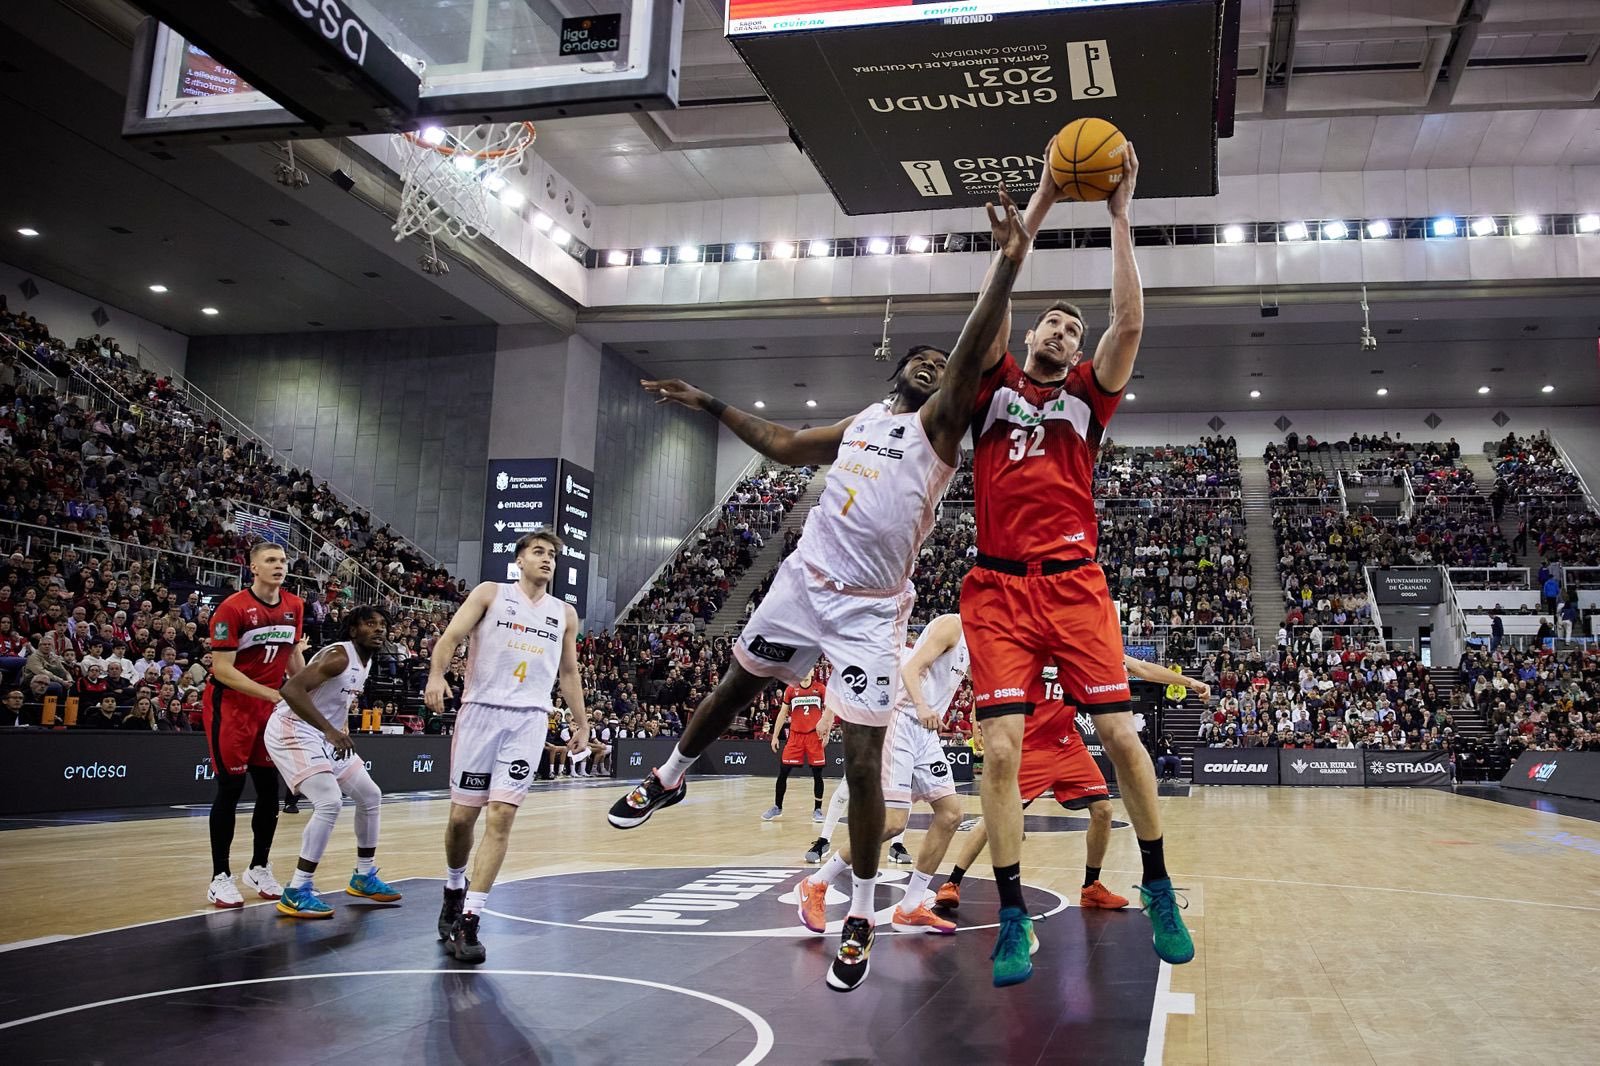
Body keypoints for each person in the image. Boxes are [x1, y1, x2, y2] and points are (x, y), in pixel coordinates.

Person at [608, 187, 1036, 993]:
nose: (932, 364)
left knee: (866, 766)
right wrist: (707, 401)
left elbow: (976, 344)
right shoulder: (864, 420)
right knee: (736, 685)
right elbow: (779, 441)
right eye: (921, 359)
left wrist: (1006, 269)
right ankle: (668, 776)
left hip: (872, 612)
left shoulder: (938, 428)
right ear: (894, 371)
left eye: (942, 365)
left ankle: (864, 910)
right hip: (804, 580)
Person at [959, 140, 1194, 985]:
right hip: (994, 586)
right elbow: (986, 319)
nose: (1066, 330)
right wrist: (1040, 205)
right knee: (996, 753)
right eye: (1054, 323)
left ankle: (1158, 882)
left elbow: (1129, 323)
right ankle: (1013, 914)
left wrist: (1119, 213)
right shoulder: (991, 391)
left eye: (1074, 326)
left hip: (1073, 584)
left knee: (1123, 737)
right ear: (1030, 335)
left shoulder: (1090, 396)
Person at [425, 529, 588, 964]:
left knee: (501, 816)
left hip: (529, 720)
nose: (547, 560)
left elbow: (568, 673)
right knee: (462, 818)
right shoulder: (490, 593)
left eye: (553, 554)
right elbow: (450, 639)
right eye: (538, 552)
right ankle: (454, 886)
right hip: (480, 712)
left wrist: (582, 722)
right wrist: (437, 675)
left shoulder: (564, 614)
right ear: (519, 560)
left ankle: (470, 921)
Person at [796, 613, 971, 937]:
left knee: (950, 815)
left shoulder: (982, 641)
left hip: (925, 733)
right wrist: (921, 705)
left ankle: (910, 907)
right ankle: (816, 882)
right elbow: (909, 669)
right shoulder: (954, 625)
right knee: (892, 822)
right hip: (902, 721)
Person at [265, 606, 402, 919]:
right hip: (293, 729)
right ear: (353, 631)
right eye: (370, 624)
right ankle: (298, 889)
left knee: (370, 796)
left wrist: (334, 729)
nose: (379, 629)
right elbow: (291, 689)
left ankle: (364, 876)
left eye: (383, 624)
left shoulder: (364, 661)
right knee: (329, 802)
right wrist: (329, 730)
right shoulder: (340, 656)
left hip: (323, 735)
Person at [202, 542, 304, 909]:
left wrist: (306, 692)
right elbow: (222, 670)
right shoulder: (231, 609)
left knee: (269, 790)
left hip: (268, 708)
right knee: (229, 789)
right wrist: (272, 694)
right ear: (253, 568)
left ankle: (259, 866)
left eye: (282, 561)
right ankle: (219, 877)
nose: (279, 566)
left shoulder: (295, 606)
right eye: (270, 561)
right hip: (231, 706)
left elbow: (293, 658)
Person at [762, 668, 832, 822]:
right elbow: (782, 713)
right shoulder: (791, 689)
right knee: (783, 771)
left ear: (813, 672)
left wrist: (827, 732)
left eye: (809, 669)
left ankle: (818, 809)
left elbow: (829, 711)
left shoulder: (820, 688)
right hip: (795, 736)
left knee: (817, 774)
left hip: (815, 735)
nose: (806, 671)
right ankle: (777, 807)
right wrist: (774, 736)